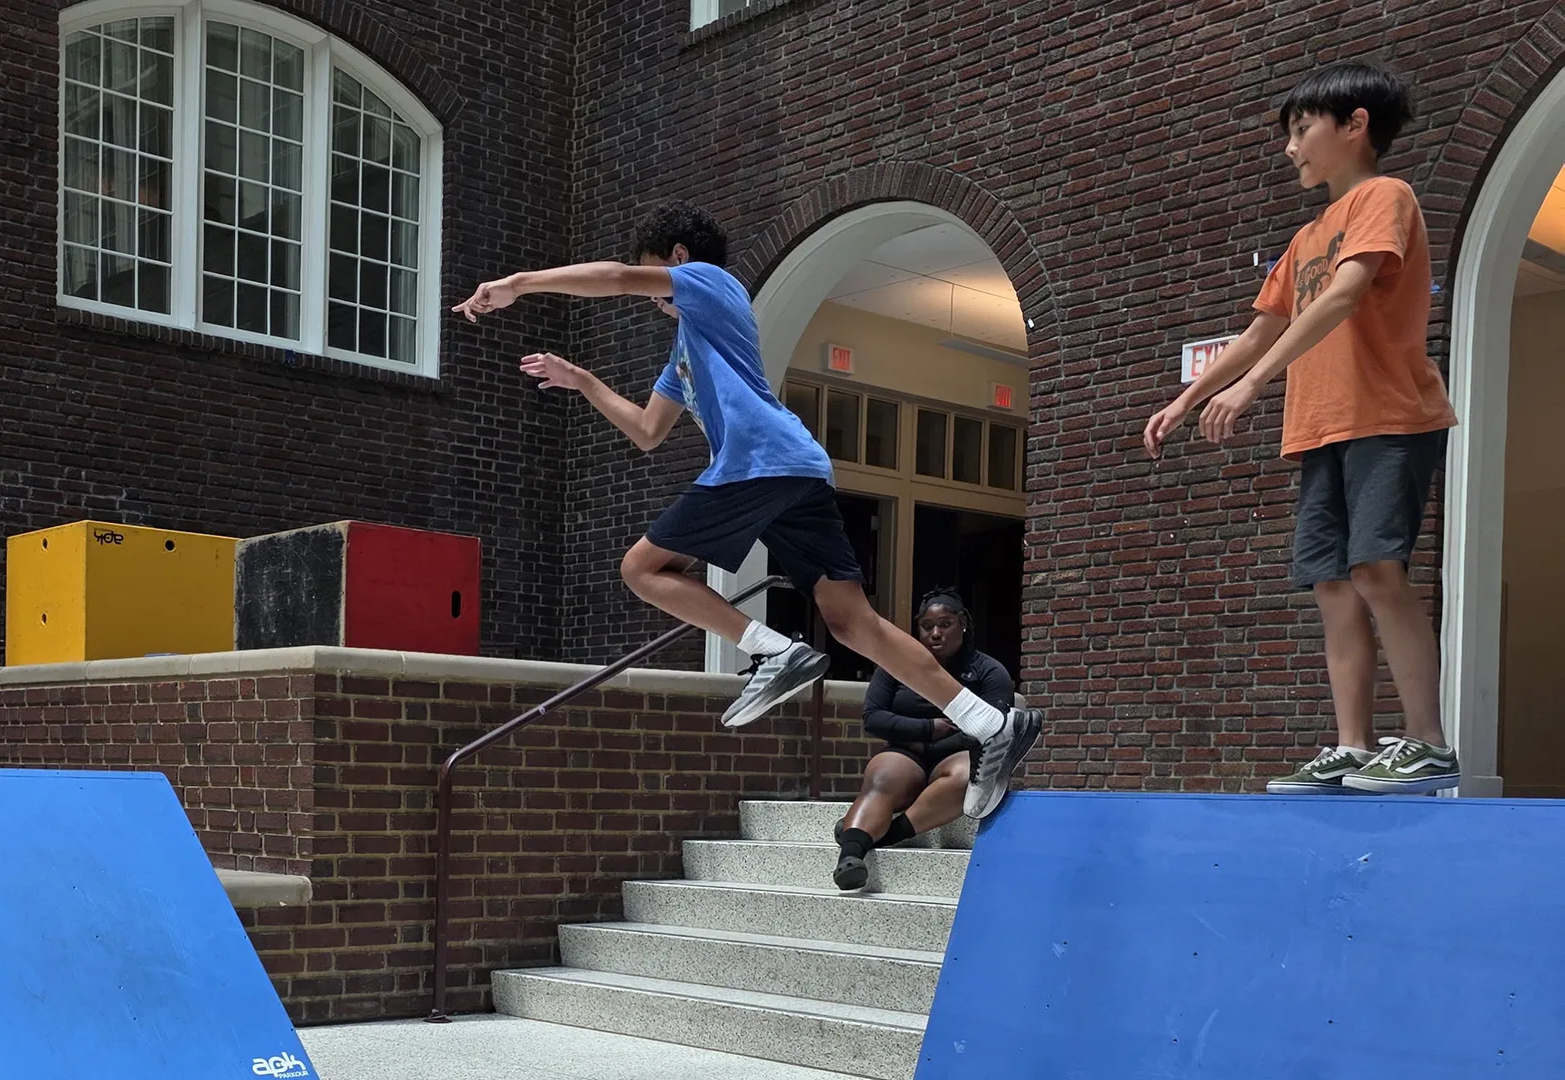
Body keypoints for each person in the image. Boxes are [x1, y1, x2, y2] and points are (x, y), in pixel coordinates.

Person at [453, 201, 1044, 818]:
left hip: (757, 463)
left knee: (642, 569)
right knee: (851, 623)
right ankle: (991, 722)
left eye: (656, 278)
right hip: (797, 469)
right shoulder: (690, 344)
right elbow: (650, 431)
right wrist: (584, 380)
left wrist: (518, 284)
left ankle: (770, 649)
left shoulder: (711, 283)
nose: (653, 295)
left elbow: (618, 277)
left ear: (678, 259)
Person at [1143, 62, 1459, 795]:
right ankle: (1352, 746)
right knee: (1333, 585)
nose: (1290, 148)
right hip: (1322, 428)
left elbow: (1347, 294)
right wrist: (1186, 401)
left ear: (1355, 125)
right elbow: (1258, 333)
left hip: (1390, 416)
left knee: (1378, 569)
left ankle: (1429, 742)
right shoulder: (1306, 235)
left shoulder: (1386, 196)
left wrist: (1253, 387)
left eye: (1301, 130)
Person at [832, 589, 1014, 890]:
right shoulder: (898, 663)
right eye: (927, 626)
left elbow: (996, 728)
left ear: (963, 624)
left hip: (958, 754)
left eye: (945, 624)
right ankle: (850, 857)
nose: (935, 633)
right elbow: (873, 717)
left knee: (965, 778)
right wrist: (928, 729)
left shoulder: (989, 671)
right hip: (908, 752)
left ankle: (881, 834)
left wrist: (939, 743)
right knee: (882, 779)